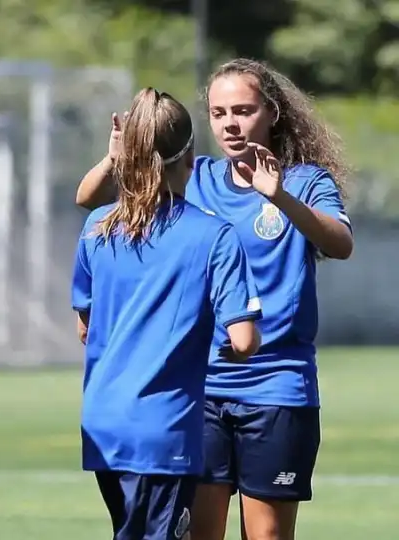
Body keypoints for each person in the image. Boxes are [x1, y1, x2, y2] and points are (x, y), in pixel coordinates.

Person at [75, 58, 354, 540]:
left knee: (265, 535)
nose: (231, 123)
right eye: (219, 112)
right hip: (200, 390)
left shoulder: (304, 182)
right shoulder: (196, 175)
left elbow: (339, 244)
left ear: (272, 112)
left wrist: (279, 196)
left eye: (243, 110)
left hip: (276, 385)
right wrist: (120, 155)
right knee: (200, 533)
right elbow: (91, 200)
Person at [71, 87, 262, 540]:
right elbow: (244, 340)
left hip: (103, 423)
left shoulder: (96, 228)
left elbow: (86, 324)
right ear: (191, 155)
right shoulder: (215, 236)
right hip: (163, 428)